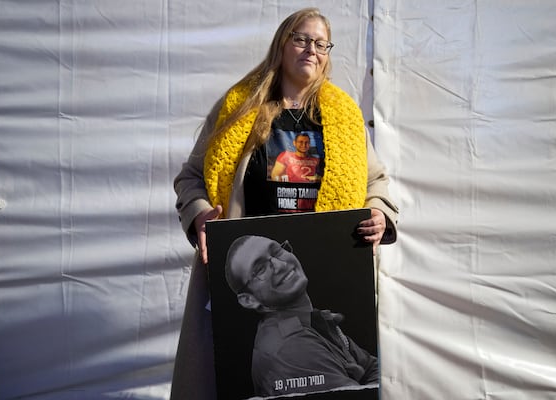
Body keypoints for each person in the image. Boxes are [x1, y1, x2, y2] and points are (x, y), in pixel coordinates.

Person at [171, 7, 398, 400]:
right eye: (301, 38)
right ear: (281, 44)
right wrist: (199, 215)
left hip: (326, 269)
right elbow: (190, 178)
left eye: (321, 43)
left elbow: (375, 183)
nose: (312, 49)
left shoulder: (344, 118)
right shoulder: (239, 107)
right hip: (249, 277)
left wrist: (378, 212)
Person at [225, 235, 379, 398]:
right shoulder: (290, 348)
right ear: (249, 300)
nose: (281, 265)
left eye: (277, 251)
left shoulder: (313, 320)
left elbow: (373, 368)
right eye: (260, 269)